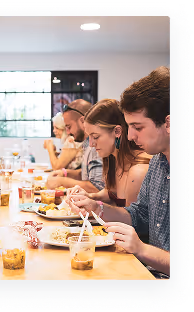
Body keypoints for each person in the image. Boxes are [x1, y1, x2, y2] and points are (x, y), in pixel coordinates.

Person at [67, 66, 170, 277]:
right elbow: (140, 215)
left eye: (138, 127)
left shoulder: (142, 167)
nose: (130, 136)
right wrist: (96, 206)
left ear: (168, 124)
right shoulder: (158, 163)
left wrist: (142, 249)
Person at [71, 98, 151, 207]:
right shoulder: (113, 158)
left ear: (117, 131)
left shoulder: (137, 171)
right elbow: (112, 193)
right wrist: (90, 196)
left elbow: (130, 218)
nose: (91, 144)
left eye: (96, 137)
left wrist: (97, 207)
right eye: (89, 137)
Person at [46, 99, 104, 193]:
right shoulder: (86, 143)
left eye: (69, 127)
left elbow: (97, 188)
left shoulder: (97, 145)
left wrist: (62, 181)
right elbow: (87, 173)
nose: (68, 132)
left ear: (82, 121)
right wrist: (65, 173)